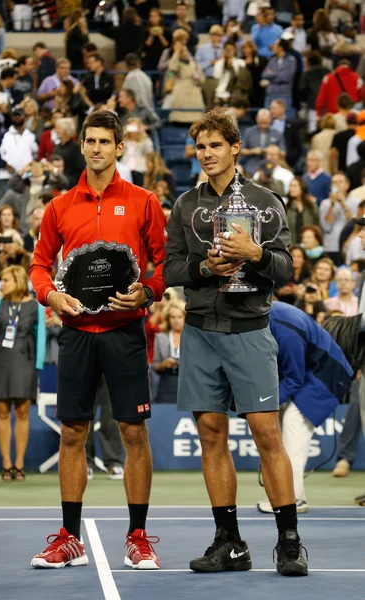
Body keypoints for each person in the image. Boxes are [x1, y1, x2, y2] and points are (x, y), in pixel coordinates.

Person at [163, 108, 308, 576]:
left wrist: (257, 254)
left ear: (235, 147)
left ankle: (289, 543)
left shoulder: (267, 202)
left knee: (267, 435)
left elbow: (286, 270)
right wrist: (204, 268)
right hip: (201, 331)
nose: (207, 154)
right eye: (201, 147)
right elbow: (169, 270)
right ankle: (230, 543)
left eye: (215, 146)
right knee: (211, 435)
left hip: (250, 331)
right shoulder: (186, 204)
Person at [29, 110, 166, 569]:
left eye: (105, 141)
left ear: (120, 147)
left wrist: (148, 290)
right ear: (82, 145)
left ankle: (139, 536)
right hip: (76, 334)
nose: (96, 148)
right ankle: (69, 536)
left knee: (134, 433)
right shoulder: (59, 206)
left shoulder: (144, 201)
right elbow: (39, 265)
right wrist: (51, 297)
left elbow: (166, 263)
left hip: (126, 332)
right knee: (73, 433)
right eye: (90, 141)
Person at [257, 302, 353, 513]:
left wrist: (263, 404)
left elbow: (294, 377)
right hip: (309, 371)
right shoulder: (264, 315)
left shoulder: (285, 328)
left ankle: (293, 498)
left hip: (327, 374)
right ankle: (280, 493)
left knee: (293, 422)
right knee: (279, 426)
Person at [0, 262, 46, 480]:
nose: (2, 284)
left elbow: (40, 338)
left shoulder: (36, 306)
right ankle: (6, 464)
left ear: (18, 281)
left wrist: (38, 365)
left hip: (26, 361)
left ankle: (19, 464)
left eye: (7, 280)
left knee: (22, 412)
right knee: (2, 412)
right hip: (0, 360)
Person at [153, 300, 186, 403]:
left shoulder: (191, 339)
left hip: (186, 384)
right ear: (168, 319)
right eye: (173, 317)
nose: (176, 320)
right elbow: (155, 366)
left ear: (185, 318)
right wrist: (163, 364)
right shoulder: (160, 338)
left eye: (179, 317)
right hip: (166, 384)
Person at [241, 108, 285, 175]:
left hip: (272, 167)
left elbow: (283, 153)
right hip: (252, 167)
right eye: (261, 121)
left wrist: (271, 151)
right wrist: (253, 151)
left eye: (266, 121)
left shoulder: (277, 133)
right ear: (257, 119)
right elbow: (241, 151)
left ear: (270, 119)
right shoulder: (249, 131)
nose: (264, 123)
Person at [120, 117, 153, 187]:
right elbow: (118, 152)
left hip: (139, 170)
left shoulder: (144, 140)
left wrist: (143, 133)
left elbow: (150, 153)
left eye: (134, 127)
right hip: (125, 168)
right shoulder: (123, 140)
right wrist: (122, 133)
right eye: (130, 127)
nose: (132, 130)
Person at [286, 177, 319, 244]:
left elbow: (316, 225)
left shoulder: (311, 206)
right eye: (291, 186)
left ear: (302, 188)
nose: (291, 189)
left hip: (309, 244)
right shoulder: (287, 207)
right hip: (292, 245)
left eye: (295, 186)